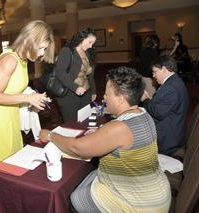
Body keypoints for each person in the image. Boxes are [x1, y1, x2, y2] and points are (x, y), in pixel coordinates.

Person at [39, 67, 171, 212]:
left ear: (120, 99)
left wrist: (51, 135)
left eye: (107, 94)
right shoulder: (143, 114)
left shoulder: (119, 128)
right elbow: (122, 138)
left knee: (74, 197)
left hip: (138, 204)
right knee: (88, 176)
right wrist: (101, 133)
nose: (104, 97)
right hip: (155, 192)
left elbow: (77, 148)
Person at [0, 20, 55, 165]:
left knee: (11, 163)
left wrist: (32, 96)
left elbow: (12, 87)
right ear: (30, 40)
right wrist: (27, 98)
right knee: (4, 167)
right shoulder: (10, 60)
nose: (42, 54)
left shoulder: (22, 60)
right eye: (41, 48)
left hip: (10, 117)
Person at [141, 55, 189, 155]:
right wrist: (152, 99)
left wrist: (146, 100)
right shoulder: (173, 82)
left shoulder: (171, 87)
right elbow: (164, 104)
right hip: (172, 130)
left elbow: (158, 113)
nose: (153, 75)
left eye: (155, 71)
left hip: (168, 140)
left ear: (164, 69)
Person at [54, 28, 97, 122]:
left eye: (93, 44)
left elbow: (90, 75)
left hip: (85, 93)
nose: (91, 46)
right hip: (69, 94)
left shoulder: (88, 54)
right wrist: (75, 87)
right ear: (82, 38)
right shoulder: (67, 51)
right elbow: (60, 72)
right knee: (72, 123)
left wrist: (93, 91)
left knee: (85, 121)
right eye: (90, 42)